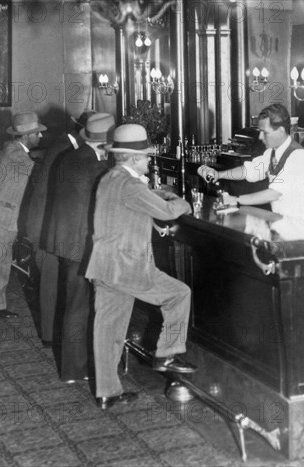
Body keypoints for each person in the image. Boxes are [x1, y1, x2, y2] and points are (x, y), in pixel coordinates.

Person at [86, 124, 197, 410]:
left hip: (102, 266)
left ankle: (107, 392)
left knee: (108, 330)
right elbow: (169, 211)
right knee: (179, 294)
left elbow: (131, 209)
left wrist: (159, 197)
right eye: (147, 156)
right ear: (134, 159)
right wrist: (182, 201)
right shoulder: (132, 185)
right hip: (127, 267)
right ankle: (168, 353)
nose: (149, 160)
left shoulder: (110, 178)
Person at [48, 112, 115, 383]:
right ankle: (76, 369)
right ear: (104, 143)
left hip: (66, 240)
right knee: (80, 306)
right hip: (82, 244)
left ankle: (74, 367)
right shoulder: (95, 167)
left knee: (75, 303)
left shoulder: (71, 157)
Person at [26, 109, 95, 347]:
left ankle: (55, 335)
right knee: (50, 283)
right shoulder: (65, 149)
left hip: (55, 223)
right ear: (85, 132)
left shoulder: (69, 145)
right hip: (48, 223)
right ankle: (49, 336)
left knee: (58, 283)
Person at [197, 104, 304, 222]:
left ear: (281, 131)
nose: (260, 137)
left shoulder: (298, 156)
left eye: (264, 132)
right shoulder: (272, 153)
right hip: (281, 221)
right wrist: (219, 174)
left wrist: (236, 200)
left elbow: (274, 193)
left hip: (300, 225)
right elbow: (248, 170)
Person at [0, 111, 46, 318]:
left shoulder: (14, 148)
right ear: (27, 136)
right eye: (38, 134)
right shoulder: (15, 153)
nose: (41, 136)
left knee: (0, 260)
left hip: (3, 214)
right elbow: (33, 168)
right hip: (1, 215)